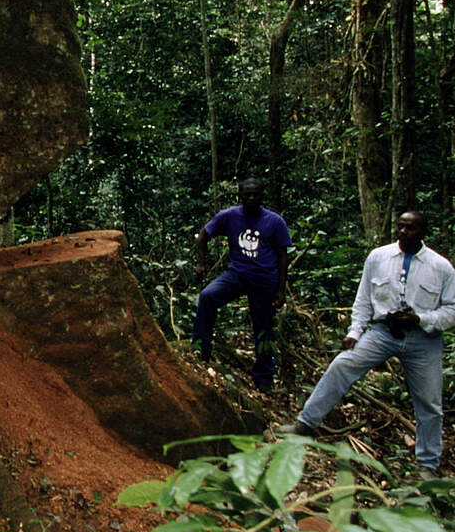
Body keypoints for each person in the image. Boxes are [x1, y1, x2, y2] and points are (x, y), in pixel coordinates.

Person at [275, 211, 455, 479]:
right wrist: (354, 332)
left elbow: (451, 311)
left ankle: (427, 465)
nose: (404, 232)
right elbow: (364, 300)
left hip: (422, 339)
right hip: (382, 332)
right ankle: (305, 424)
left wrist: (420, 318)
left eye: (411, 228)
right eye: (401, 226)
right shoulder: (378, 257)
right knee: (342, 365)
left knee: (429, 402)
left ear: (423, 232)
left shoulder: (441, 267)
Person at [193, 178, 292, 388]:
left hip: (265, 280)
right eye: (247, 194)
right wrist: (201, 263)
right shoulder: (229, 216)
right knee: (208, 296)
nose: (251, 198)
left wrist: (280, 290)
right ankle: (200, 352)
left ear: (261, 196)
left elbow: (283, 256)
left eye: (255, 194)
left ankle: (264, 380)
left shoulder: (274, 221)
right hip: (237, 275)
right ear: (241, 195)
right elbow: (203, 235)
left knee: (263, 328)